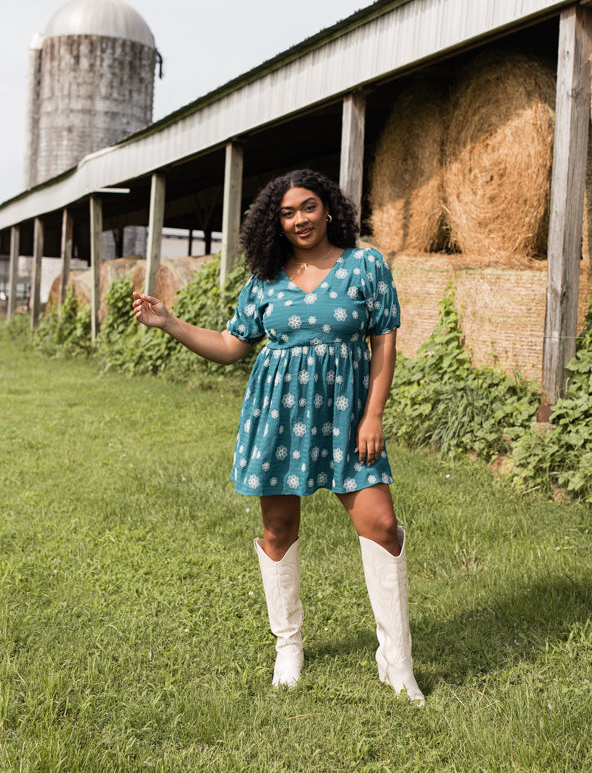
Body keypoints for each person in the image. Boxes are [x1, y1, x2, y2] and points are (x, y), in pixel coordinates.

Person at [133, 168, 424, 704]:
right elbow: (229, 344)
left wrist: (373, 414)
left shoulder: (366, 264)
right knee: (278, 528)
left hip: (347, 418)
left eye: (308, 207)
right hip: (278, 418)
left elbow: (384, 339)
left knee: (381, 524)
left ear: (329, 208)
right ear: (276, 222)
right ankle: (288, 647)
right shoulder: (265, 281)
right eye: (287, 213)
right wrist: (170, 323)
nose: (299, 220)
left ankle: (397, 661)